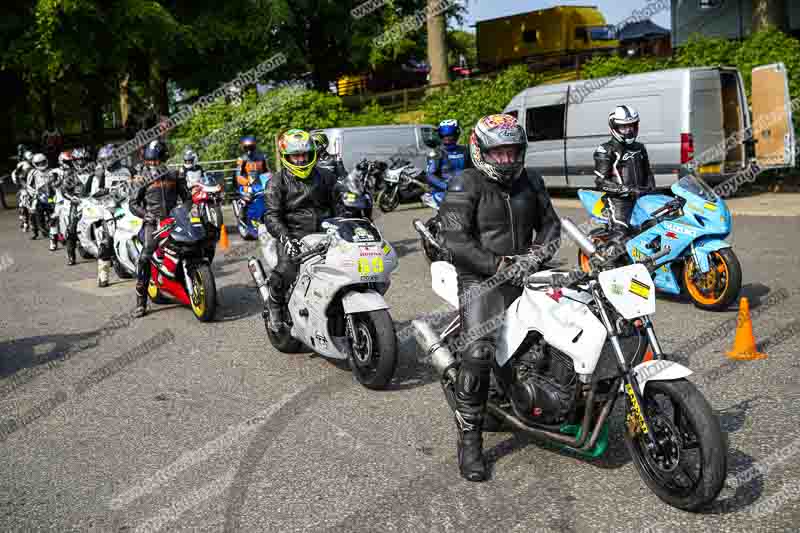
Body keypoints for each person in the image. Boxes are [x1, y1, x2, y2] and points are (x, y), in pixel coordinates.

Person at [437, 114, 561, 482]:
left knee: (565, 330)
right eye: (499, 153)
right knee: (478, 353)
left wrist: (538, 254)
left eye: (513, 152)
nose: (507, 160)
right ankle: (469, 441)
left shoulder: (532, 180)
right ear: (480, 151)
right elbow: (454, 240)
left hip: (527, 269)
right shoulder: (465, 182)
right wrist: (498, 264)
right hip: (481, 277)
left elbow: (551, 225)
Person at [263, 129, 338, 332]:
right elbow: (271, 215)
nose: (301, 159)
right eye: (296, 155)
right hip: (294, 235)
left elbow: (340, 205)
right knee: (286, 270)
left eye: (304, 154)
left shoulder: (326, 176)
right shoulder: (276, 182)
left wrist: (351, 222)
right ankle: (275, 304)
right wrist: (285, 238)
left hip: (327, 234)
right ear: (287, 157)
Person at [129, 140, 190, 317]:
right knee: (146, 256)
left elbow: (186, 198)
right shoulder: (142, 179)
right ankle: (141, 302)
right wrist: (145, 215)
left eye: (156, 160)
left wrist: (185, 210)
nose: (153, 164)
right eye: (150, 160)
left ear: (164, 159)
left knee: (197, 242)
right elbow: (133, 203)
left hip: (174, 219)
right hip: (153, 222)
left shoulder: (174, 175)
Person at [593, 105, 655, 234]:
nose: (629, 130)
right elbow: (600, 182)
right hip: (618, 201)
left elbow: (648, 172)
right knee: (621, 235)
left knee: (658, 226)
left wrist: (651, 190)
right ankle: (609, 251)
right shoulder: (606, 150)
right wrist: (627, 190)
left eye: (631, 126)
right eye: (624, 127)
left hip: (642, 198)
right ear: (614, 127)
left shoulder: (640, 147)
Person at [51, 151, 86, 265]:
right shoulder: (70, 175)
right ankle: (71, 256)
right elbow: (64, 190)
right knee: (71, 229)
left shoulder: (92, 171)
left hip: (91, 201)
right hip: (74, 203)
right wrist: (72, 198)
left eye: (83, 159)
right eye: (78, 160)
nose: (81, 162)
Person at [426, 119, 472, 195]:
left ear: (456, 134)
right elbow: (430, 175)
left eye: (450, 136)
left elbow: (474, 170)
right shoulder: (437, 153)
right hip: (444, 191)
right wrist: (446, 186)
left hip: (465, 188)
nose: (447, 139)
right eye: (444, 136)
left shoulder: (465, 150)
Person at [27, 153, 53, 243]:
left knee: (53, 210)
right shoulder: (33, 173)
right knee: (33, 210)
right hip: (38, 196)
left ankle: (54, 229)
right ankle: (35, 232)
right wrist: (34, 193)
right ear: (35, 164)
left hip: (50, 196)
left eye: (43, 162)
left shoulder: (51, 171)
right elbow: (29, 185)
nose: (41, 165)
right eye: (39, 163)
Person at [12, 146, 34, 232]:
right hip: (25, 187)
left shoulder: (35, 163)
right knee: (23, 203)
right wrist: (21, 184)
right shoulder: (22, 165)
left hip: (34, 186)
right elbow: (16, 175)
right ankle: (25, 222)